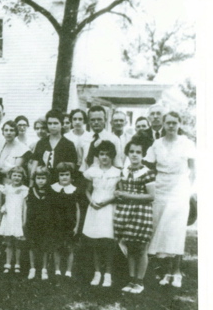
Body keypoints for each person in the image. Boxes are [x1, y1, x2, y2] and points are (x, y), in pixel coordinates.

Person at [145, 112, 195, 288]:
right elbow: (148, 166)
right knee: (161, 228)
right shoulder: (157, 144)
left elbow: (193, 169)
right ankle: (166, 271)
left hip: (179, 187)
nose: (171, 126)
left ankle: (177, 271)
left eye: (174, 123)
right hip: (161, 187)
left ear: (179, 123)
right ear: (164, 125)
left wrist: (189, 189)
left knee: (176, 229)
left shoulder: (187, 143)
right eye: (168, 123)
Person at [114, 138, 156, 294]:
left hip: (141, 212)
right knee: (130, 247)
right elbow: (122, 191)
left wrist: (127, 195)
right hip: (126, 211)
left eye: (138, 152)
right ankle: (131, 280)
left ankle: (140, 282)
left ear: (143, 154)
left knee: (141, 248)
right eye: (131, 152)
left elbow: (151, 196)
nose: (135, 155)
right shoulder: (124, 172)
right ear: (127, 153)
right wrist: (119, 194)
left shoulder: (147, 172)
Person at [83, 140, 120, 288]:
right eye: (101, 154)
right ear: (98, 156)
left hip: (109, 208)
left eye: (107, 155)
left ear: (112, 156)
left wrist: (107, 201)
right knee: (96, 242)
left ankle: (108, 274)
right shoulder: (93, 171)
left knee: (108, 242)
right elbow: (87, 190)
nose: (104, 157)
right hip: (95, 207)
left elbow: (119, 192)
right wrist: (91, 201)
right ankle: (97, 272)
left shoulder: (117, 173)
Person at [50, 162, 81, 278]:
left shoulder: (74, 190)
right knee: (57, 247)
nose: (64, 177)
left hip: (70, 223)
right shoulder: (53, 189)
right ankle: (57, 269)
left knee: (70, 247)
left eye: (67, 174)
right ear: (58, 176)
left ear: (71, 176)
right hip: (56, 222)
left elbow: (78, 209)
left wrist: (77, 226)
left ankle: (68, 270)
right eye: (61, 174)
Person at [24, 166, 54, 280]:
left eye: (43, 178)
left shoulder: (51, 191)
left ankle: (44, 269)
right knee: (32, 245)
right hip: (33, 222)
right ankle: (32, 268)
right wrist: (26, 221)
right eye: (38, 178)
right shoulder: (31, 191)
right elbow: (27, 207)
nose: (40, 181)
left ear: (47, 179)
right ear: (34, 179)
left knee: (45, 246)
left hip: (46, 223)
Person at [31, 109, 77, 180]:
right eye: (50, 123)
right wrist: (31, 184)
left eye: (55, 123)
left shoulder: (69, 144)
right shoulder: (41, 143)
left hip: (60, 183)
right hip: (42, 182)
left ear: (61, 124)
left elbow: (72, 169)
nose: (52, 126)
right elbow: (35, 165)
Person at [0, 166, 28, 274]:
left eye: (19, 176)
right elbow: (5, 201)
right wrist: (4, 208)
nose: (17, 177)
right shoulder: (7, 188)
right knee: (9, 242)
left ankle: (17, 263)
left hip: (18, 218)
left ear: (22, 177)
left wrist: (24, 220)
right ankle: (7, 263)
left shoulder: (24, 189)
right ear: (10, 176)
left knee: (18, 243)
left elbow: (25, 206)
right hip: (9, 217)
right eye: (14, 175)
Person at [81, 106, 121, 171]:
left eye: (99, 119)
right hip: (85, 176)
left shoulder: (113, 139)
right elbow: (81, 162)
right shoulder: (83, 138)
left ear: (105, 120)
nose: (96, 122)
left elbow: (117, 164)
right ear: (88, 121)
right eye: (92, 120)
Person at [0, 120, 31, 184]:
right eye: (6, 130)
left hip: (13, 183)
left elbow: (15, 169)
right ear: (3, 132)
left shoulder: (22, 148)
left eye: (11, 130)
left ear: (16, 132)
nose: (8, 133)